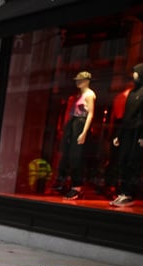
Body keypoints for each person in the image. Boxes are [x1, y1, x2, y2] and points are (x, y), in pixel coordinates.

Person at [111, 63, 143, 207]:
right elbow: (126, 114)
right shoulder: (133, 92)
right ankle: (123, 192)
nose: (134, 76)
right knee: (123, 160)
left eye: (137, 73)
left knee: (133, 161)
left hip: (138, 132)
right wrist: (119, 134)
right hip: (127, 130)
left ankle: (130, 193)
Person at [58, 71, 96, 200]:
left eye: (80, 80)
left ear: (87, 80)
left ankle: (77, 187)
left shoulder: (90, 94)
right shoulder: (79, 94)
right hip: (74, 123)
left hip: (81, 123)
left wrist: (84, 132)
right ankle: (70, 184)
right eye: (77, 80)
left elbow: (90, 114)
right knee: (69, 154)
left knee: (77, 156)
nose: (77, 82)